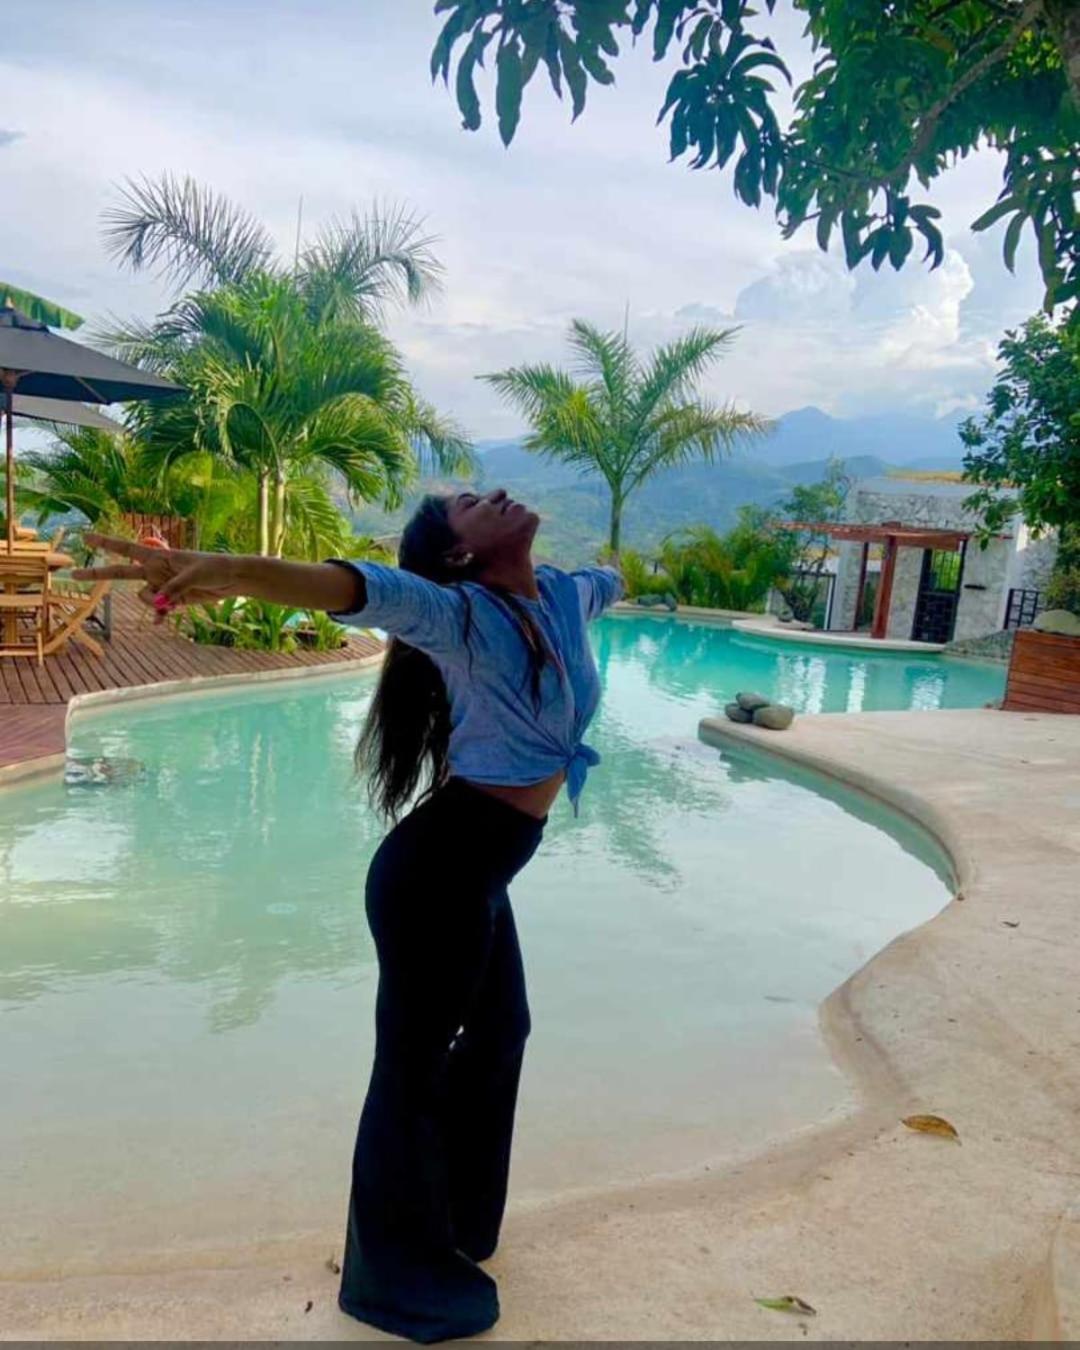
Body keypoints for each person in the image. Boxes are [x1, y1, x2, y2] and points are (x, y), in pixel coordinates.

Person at [73, 487, 624, 1343]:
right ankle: (393, 1282)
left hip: (480, 869)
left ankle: (458, 1225)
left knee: (500, 1031)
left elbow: (607, 582)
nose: (493, 494)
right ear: (458, 555)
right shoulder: (453, 614)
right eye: (470, 502)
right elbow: (346, 586)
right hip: (436, 874)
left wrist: (610, 573)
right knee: (411, 1069)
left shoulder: (558, 594)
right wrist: (224, 570)